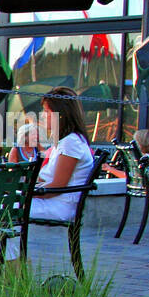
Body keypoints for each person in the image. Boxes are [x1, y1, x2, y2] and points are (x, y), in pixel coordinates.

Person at [29, 86, 95, 222]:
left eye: (46, 111)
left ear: (60, 115)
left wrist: (26, 194)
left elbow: (57, 186)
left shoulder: (71, 142)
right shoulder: (66, 141)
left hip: (58, 206)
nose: (42, 115)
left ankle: (5, 244)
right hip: (51, 200)